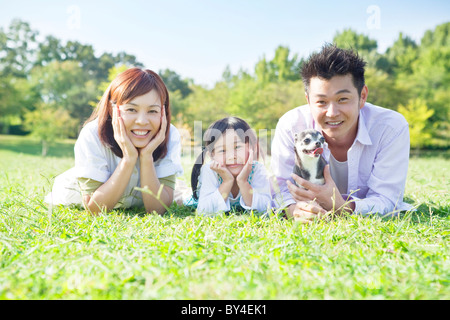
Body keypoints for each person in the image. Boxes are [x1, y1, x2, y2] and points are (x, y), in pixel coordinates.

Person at [271, 44, 413, 223]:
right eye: (321, 101)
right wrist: (293, 210)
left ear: (362, 96)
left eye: (342, 99)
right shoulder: (291, 126)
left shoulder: (390, 127)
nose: (332, 112)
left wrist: (340, 206)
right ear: (308, 100)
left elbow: (388, 200)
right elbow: (280, 190)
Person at [45, 68, 183, 215]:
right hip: (73, 195)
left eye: (152, 111)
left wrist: (146, 156)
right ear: (113, 110)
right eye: (131, 109)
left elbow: (158, 210)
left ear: (163, 113)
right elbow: (95, 209)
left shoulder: (170, 134)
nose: (142, 121)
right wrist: (129, 159)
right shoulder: (92, 134)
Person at [187, 117, 272, 216]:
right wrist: (227, 181)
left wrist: (243, 181)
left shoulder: (256, 169)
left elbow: (266, 209)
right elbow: (204, 211)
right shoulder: (210, 170)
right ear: (212, 155)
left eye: (237, 147)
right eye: (222, 150)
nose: (232, 157)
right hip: (200, 195)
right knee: (181, 197)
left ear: (251, 147)